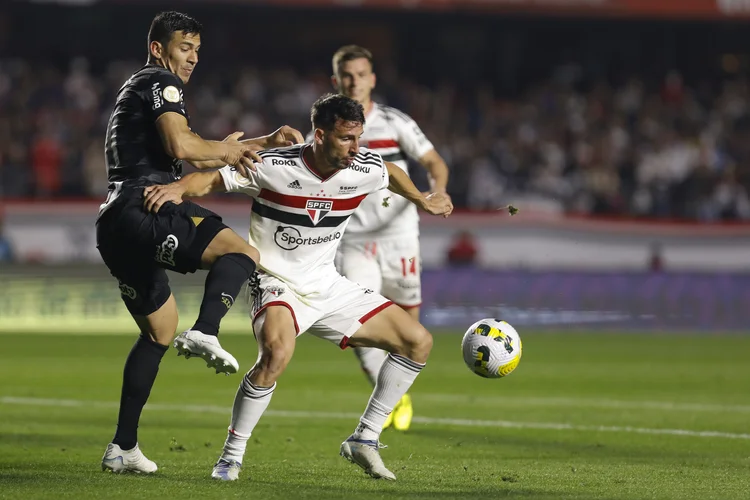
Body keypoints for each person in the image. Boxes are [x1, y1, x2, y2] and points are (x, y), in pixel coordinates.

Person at [143, 93, 453, 481]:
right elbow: (212, 179)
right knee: (276, 354)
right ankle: (230, 457)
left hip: (327, 284)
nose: (356, 148)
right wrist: (178, 190)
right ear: (319, 135)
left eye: (359, 138)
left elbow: (389, 171)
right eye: (345, 139)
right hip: (276, 282)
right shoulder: (273, 166)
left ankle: (365, 438)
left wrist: (421, 199)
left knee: (418, 342)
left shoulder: (363, 165)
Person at [97, 11, 304, 474]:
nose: (192, 58)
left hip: (114, 222)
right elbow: (181, 147)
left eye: (196, 50)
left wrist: (260, 141)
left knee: (158, 332)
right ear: (158, 48)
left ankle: (122, 448)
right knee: (242, 252)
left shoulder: (141, 87)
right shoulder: (160, 82)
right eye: (184, 47)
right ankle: (207, 330)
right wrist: (227, 149)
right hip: (144, 205)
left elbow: (192, 143)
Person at [314, 45, 451, 431]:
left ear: (373, 79)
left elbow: (433, 162)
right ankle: (391, 394)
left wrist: (436, 191)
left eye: (361, 73)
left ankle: (394, 390)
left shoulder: (394, 122)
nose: (354, 80)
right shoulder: (326, 128)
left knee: (409, 329)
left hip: (400, 235)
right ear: (335, 81)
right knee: (358, 326)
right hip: (353, 239)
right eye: (347, 74)